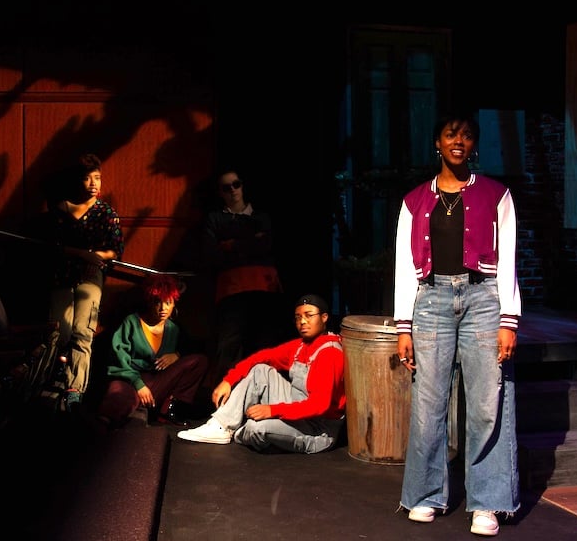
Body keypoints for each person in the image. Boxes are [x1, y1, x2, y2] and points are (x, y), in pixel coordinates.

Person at [393, 113, 521, 537]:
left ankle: (487, 502)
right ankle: (426, 494)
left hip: (483, 300)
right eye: (451, 134)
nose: (458, 141)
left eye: (466, 135)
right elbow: (405, 267)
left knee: (487, 403)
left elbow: (508, 260)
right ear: (437, 143)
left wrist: (508, 320)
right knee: (429, 403)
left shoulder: (497, 195)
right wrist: (404, 325)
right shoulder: (414, 201)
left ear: (474, 145)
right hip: (431, 302)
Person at [176, 294, 345, 454]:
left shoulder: (330, 353)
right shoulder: (301, 346)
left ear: (324, 317)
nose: (303, 321)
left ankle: (239, 429)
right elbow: (262, 357)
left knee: (256, 428)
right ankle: (221, 425)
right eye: (298, 317)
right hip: (297, 406)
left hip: (318, 428)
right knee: (260, 370)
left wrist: (272, 410)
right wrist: (228, 380)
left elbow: (318, 405)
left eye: (309, 315)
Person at [30, 152, 124, 411]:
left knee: (84, 331)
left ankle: (75, 390)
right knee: (59, 331)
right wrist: (82, 253)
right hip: (61, 274)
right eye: (87, 178)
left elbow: (116, 249)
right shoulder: (60, 209)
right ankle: (49, 379)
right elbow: (52, 246)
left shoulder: (106, 212)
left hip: (91, 274)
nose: (94, 183)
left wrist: (96, 256)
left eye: (98, 177)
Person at [201, 167, 291, 387]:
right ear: (220, 192)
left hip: (265, 287)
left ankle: (266, 393)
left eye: (236, 184)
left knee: (265, 345)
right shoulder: (215, 219)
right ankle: (227, 397)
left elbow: (267, 245)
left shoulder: (261, 217)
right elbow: (212, 254)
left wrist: (231, 244)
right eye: (227, 187)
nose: (233, 190)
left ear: (242, 186)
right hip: (232, 289)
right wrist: (251, 240)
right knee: (229, 346)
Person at [96, 273, 210, 429]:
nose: (163, 308)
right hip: (131, 379)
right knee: (118, 400)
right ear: (150, 301)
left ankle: (167, 411)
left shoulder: (173, 329)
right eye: (158, 302)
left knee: (199, 361)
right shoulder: (132, 322)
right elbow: (119, 358)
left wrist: (176, 355)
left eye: (168, 303)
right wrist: (138, 385)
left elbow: (193, 348)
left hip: (157, 381)